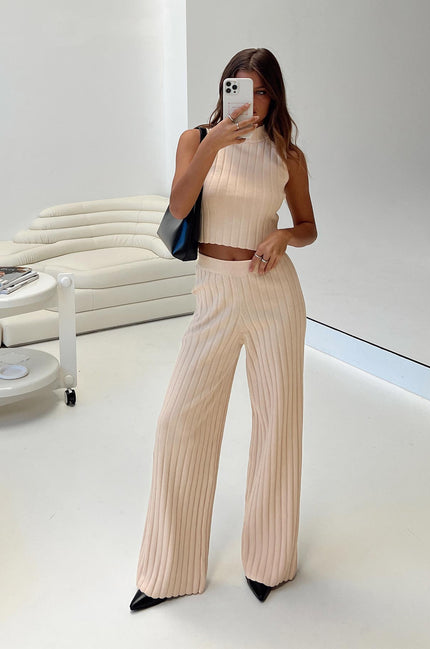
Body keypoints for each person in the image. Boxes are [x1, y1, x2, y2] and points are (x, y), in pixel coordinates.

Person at [130, 47, 316, 611]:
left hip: (273, 296)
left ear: (274, 97)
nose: (251, 102)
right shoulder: (196, 140)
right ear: (224, 89)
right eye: (240, 88)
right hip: (214, 292)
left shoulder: (288, 155)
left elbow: (308, 225)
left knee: (277, 424)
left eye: (261, 92)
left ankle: (269, 563)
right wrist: (213, 143)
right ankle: (168, 570)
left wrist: (283, 237)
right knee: (179, 421)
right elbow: (177, 205)